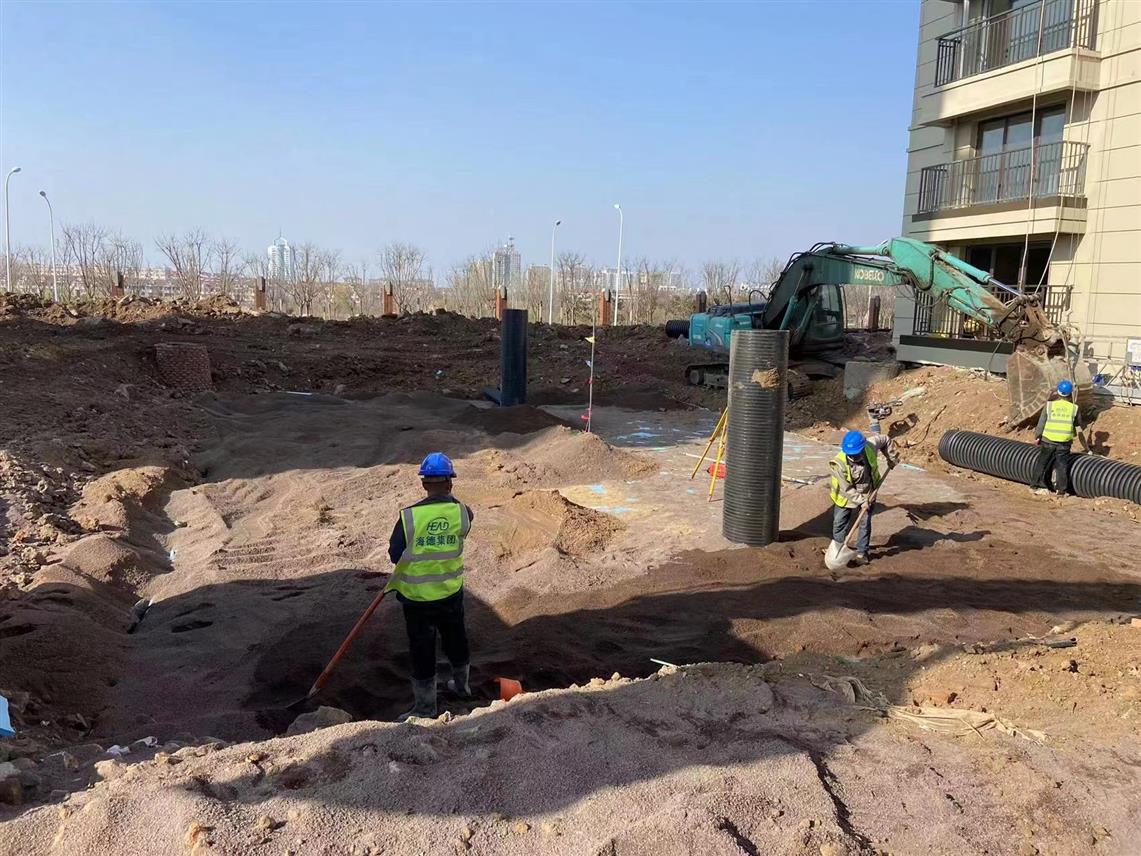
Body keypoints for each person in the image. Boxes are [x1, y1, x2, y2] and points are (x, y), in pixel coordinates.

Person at [386, 452, 474, 721]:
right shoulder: (463, 512)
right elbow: (461, 529)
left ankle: (425, 707)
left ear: (424, 484)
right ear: (450, 483)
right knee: (456, 640)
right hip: (450, 592)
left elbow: (394, 554)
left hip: (417, 599)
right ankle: (462, 687)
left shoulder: (409, 517)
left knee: (422, 650)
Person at [828, 429, 895, 566]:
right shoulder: (838, 463)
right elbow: (847, 488)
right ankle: (838, 549)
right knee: (839, 522)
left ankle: (862, 553)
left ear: (862, 447)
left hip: (868, 491)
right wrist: (861, 501)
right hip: (845, 495)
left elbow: (886, 439)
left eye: (856, 454)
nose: (853, 457)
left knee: (864, 523)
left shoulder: (870, 445)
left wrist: (891, 457)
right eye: (850, 455)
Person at [1032, 379, 1084, 496]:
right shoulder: (1074, 408)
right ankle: (1061, 490)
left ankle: (1035, 486)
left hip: (1048, 440)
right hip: (1064, 443)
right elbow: (1078, 423)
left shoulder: (1050, 405)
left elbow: (1041, 423)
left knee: (1042, 463)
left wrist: (1037, 436)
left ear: (1058, 392)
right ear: (1071, 393)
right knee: (1062, 465)